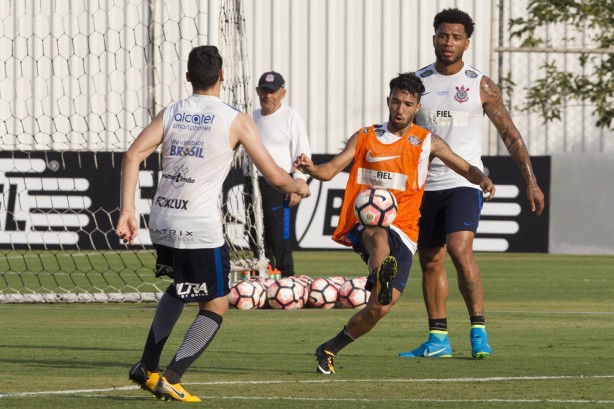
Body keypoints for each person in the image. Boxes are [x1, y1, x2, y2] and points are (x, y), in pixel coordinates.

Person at [115, 45, 310, 402]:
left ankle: (146, 365)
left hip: (161, 217)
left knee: (180, 287)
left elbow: (132, 155)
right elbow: (275, 177)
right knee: (217, 302)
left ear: (188, 77)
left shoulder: (172, 111)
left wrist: (127, 210)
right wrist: (299, 184)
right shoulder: (235, 118)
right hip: (198, 224)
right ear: (223, 77)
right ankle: (171, 376)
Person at [293, 72, 495, 375]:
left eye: (408, 104)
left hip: (406, 231)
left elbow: (463, 165)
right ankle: (379, 274)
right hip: (365, 221)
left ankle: (329, 348)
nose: (400, 109)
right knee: (377, 234)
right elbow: (330, 170)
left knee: (379, 308)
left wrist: (481, 179)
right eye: (396, 102)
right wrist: (311, 168)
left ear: (417, 108)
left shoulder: (427, 142)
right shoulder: (365, 136)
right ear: (388, 101)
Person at [398, 8, 545, 360]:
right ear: (434, 37)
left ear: (467, 42)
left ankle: (478, 330)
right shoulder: (417, 84)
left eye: (456, 37)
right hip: (423, 186)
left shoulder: (480, 84)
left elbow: (510, 134)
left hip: (464, 182)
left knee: (461, 251)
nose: (448, 42)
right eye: (443, 35)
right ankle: (438, 340)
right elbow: (399, 133)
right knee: (431, 260)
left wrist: (532, 181)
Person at [252, 71, 311, 277]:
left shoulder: (291, 117)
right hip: (252, 184)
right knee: (255, 234)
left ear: (282, 92)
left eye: (273, 91)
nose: (268, 95)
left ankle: (287, 278)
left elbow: (301, 153)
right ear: (258, 91)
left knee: (279, 235)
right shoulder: (252, 117)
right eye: (264, 90)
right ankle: (262, 275)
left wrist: (298, 183)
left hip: (279, 184)